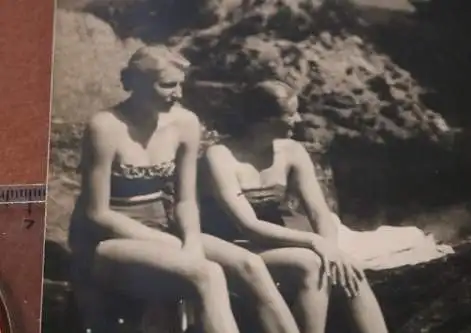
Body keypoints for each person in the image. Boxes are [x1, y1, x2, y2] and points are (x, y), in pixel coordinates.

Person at [68, 46, 305, 333]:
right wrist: (170, 244)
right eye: (167, 85)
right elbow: (98, 214)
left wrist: (191, 241)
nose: (178, 93)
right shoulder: (105, 127)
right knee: (207, 273)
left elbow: (186, 201)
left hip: (164, 227)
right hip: (107, 241)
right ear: (137, 84)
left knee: (251, 265)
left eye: (180, 84)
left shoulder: (186, 123)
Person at [198, 79, 389, 333]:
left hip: (272, 243)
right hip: (233, 246)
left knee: (347, 268)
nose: (298, 119)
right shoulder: (220, 156)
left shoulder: (292, 151)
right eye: (291, 113)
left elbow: (320, 213)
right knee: (311, 264)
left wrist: (331, 250)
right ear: (264, 120)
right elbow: (248, 226)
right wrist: (314, 242)